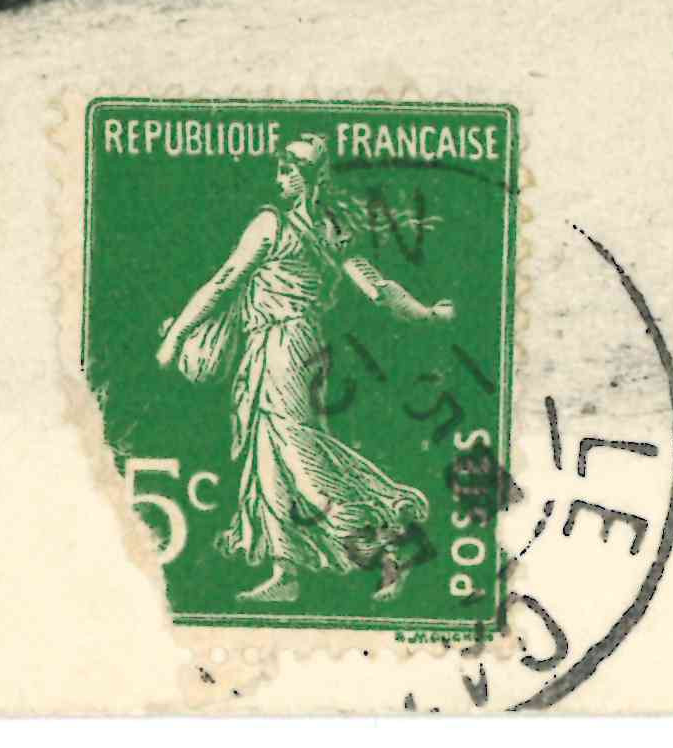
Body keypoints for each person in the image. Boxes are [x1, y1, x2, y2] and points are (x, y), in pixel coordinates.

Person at [156, 134, 454, 605]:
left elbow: (225, 281)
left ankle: (385, 546)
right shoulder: (330, 228)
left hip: (283, 346)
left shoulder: (270, 224)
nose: (280, 178)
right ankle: (286, 571)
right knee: (268, 458)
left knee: (300, 458)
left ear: (307, 176)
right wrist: (427, 313)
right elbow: (377, 289)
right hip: (283, 346)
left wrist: (175, 337)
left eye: (288, 170)